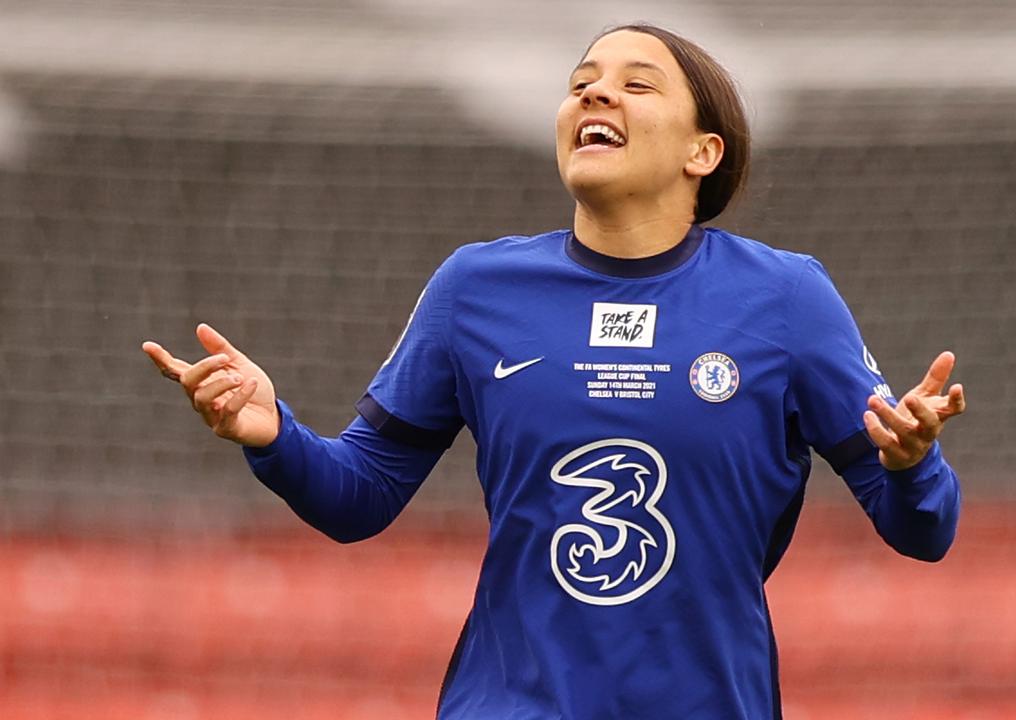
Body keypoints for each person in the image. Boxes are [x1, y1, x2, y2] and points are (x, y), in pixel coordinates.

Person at [142, 23, 966, 719]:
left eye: (636, 85)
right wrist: (273, 432)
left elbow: (922, 532)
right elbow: (357, 497)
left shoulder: (785, 297)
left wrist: (913, 463)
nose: (595, 95)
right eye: (582, 83)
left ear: (702, 151)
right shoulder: (475, 287)